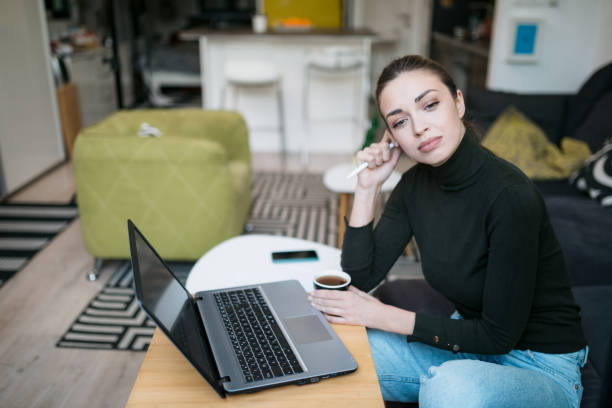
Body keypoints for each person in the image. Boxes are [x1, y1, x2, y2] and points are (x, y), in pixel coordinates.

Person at [308, 55, 588, 408]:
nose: (419, 127)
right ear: (392, 137)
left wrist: (380, 316)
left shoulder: (511, 196)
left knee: (450, 387)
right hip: (465, 349)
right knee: (341, 347)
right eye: (400, 122)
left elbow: (499, 336)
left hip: (541, 365)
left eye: (429, 105)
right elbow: (360, 278)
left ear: (458, 102)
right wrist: (367, 187)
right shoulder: (412, 187)